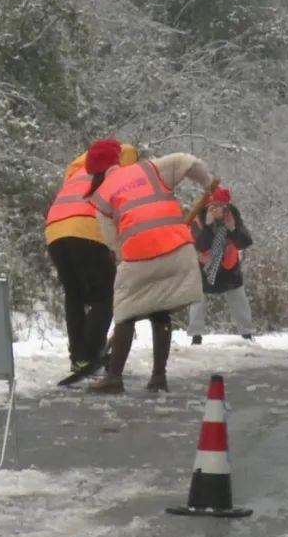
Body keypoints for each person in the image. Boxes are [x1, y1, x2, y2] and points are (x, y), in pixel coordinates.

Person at [86, 146, 215, 394]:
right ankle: (158, 378)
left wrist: (127, 256)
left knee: (125, 313)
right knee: (161, 311)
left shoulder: (101, 196)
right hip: (178, 248)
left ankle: (114, 378)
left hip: (139, 255)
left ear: (96, 173)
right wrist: (208, 182)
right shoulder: (150, 168)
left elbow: (112, 241)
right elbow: (186, 159)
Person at [44, 139, 139, 382]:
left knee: (73, 294)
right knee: (104, 295)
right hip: (88, 231)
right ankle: (92, 352)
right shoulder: (118, 167)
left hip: (55, 230)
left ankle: (78, 356)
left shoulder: (76, 171)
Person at [187, 186, 256, 345]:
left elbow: (245, 242)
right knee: (197, 302)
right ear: (207, 206)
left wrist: (232, 228)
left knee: (239, 300)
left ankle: (247, 335)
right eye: (214, 205)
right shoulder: (198, 219)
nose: (218, 209)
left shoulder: (232, 215)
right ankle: (195, 337)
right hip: (204, 267)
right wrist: (208, 225)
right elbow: (201, 245)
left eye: (222, 205)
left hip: (229, 267)